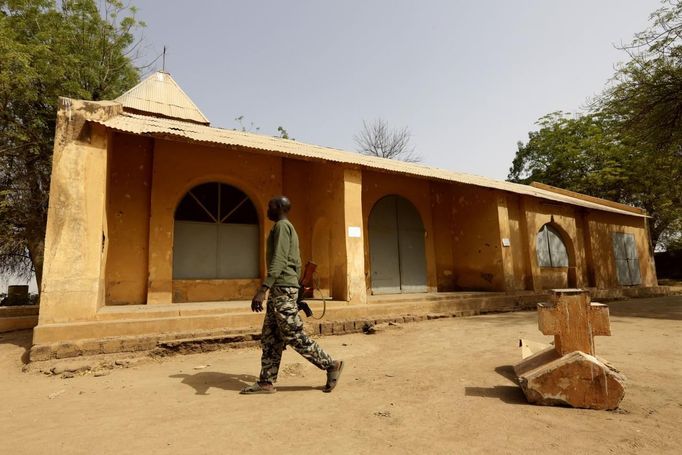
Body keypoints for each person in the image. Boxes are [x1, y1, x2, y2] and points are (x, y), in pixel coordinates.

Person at [240, 195, 344, 394]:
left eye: (270, 206)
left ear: (278, 207)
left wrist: (263, 289)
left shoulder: (281, 227)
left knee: (292, 334)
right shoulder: (287, 228)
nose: (267, 209)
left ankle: (331, 364)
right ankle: (266, 382)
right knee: (271, 337)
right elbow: (295, 261)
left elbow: (279, 259)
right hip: (283, 288)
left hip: (281, 288)